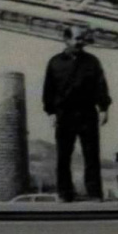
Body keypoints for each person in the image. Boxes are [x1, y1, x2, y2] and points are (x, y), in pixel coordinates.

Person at [43, 26, 111, 202]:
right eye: (77, 39)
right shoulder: (54, 62)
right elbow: (48, 89)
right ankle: (64, 194)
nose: (81, 42)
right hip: (64, 114)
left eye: (82, 39)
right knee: (63, 156)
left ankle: (95, 193)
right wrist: (50, 112)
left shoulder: (92, 61)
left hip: (87, 112)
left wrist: (104, 108)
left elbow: (100, 85)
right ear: (66, 40)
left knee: (91, 155)